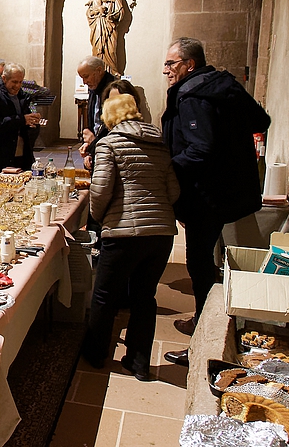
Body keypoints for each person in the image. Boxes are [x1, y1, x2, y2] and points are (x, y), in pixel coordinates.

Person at [160, 37, 270, 366]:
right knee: (205, 261)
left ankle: (205, 342)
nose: (166, 70)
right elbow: (260, 121)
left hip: (205, 194)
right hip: (227, 189)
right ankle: (203, 321)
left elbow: (200, 148)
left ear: (189, 64)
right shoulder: (223, 85)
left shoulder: (193, 95)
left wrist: (165, 170)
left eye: (171, 63)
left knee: (199, 264)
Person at [81, 94, 179, 381]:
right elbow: (174, 191)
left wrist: (100, 218)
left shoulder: (109, 143)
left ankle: (96, 354)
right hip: (161, 233)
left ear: (109, 117)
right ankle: (139, 362)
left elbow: (101, 190)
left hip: (123, 232)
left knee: (105, 295)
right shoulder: (160, 143)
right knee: (144, 296)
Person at [0, 63, 41, 178]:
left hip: (20, 154)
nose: (17, 86)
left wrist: (33, 121)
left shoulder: (23, 96)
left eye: (20, 82)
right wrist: (22, 120)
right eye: (14, 82)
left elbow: (26, 120)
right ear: (4, 78)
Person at [77, 56, 116, 170]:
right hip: (97, 148)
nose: (84, 82)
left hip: (110, 151)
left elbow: (112, 126)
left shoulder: (115, 90)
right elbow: (94, 122)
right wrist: (89, 147)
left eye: (86, 76)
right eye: (82, 78)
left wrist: (93, 143)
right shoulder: (94, 89)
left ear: (99, 70)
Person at [87, 0, 127, 75]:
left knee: (111, 50)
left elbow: (120, 12)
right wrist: (96, 11)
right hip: (98, 25)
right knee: (97, 48)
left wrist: (113, 16)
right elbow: (89, 11)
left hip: (110, 26)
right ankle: (96, 71)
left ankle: (113, 71)